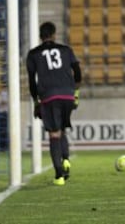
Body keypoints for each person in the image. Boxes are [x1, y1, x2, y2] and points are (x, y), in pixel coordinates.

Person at [26, 21, 82, 186]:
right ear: (54, 34)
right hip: (67, 95)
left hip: (49, 96)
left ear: (40, 36)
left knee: (54, 134)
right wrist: (76, 94)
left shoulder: (33, 54)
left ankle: (59, 173)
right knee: (62, 130)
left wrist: (36, 102)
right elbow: (77, 72)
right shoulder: (66, 50)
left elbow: (32, 82)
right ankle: (65, 159)